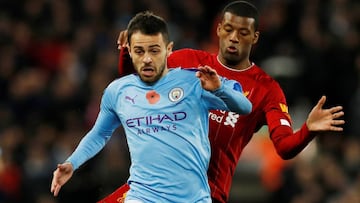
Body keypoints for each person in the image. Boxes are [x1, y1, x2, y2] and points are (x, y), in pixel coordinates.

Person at [107, 1, 346, 203]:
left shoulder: (267, 89)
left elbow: (284, 147)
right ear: (219, 29)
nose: (234, 38)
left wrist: (308, 130)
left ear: (255, 37)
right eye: (229, 29)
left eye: (242, 33)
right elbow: (136, 83)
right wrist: (128, 53)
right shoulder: (187, 59)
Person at [50, 11, 252, 203]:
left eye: (154, 50)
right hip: (143, 195)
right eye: (139, 51)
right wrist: (72, 163)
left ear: (169, 49)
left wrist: (219, 90)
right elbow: (99, 134)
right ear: (129, 51)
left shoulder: (195, 81)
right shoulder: (118, 91)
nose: (147, 58)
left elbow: (245, 107)